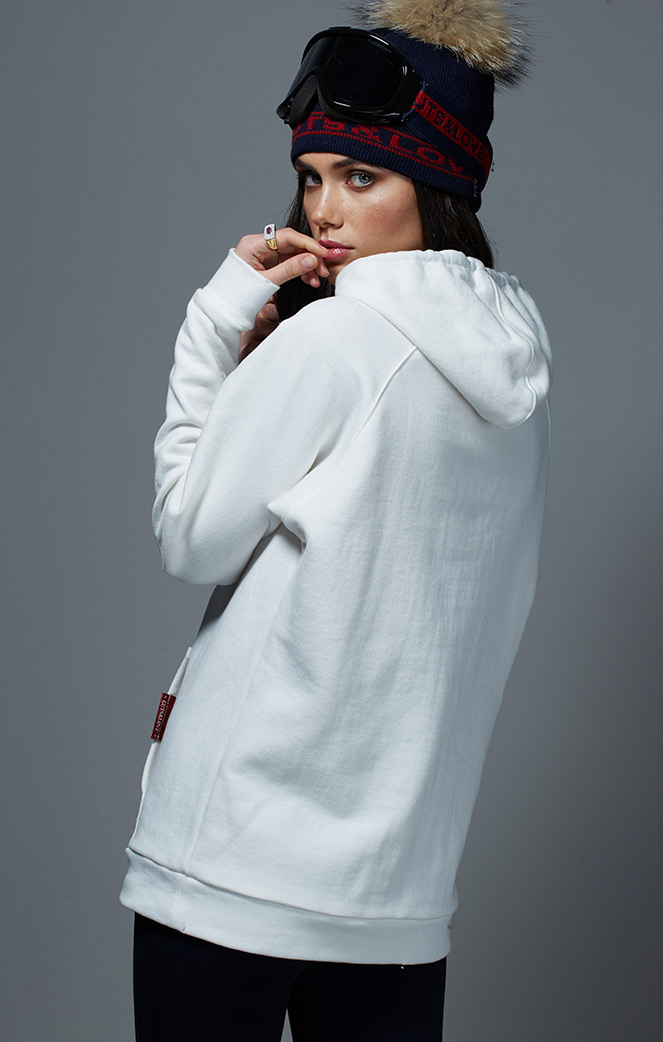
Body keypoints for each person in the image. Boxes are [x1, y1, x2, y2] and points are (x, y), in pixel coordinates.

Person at [120, 2, 553, 1039]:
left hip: (235, 862)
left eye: (361, 177)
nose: (323, 210)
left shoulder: (336, 342)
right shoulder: (515, 376)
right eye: (312, 177)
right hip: (393, 889)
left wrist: (214, 326)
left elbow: (187, 534)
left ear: (436, 187)